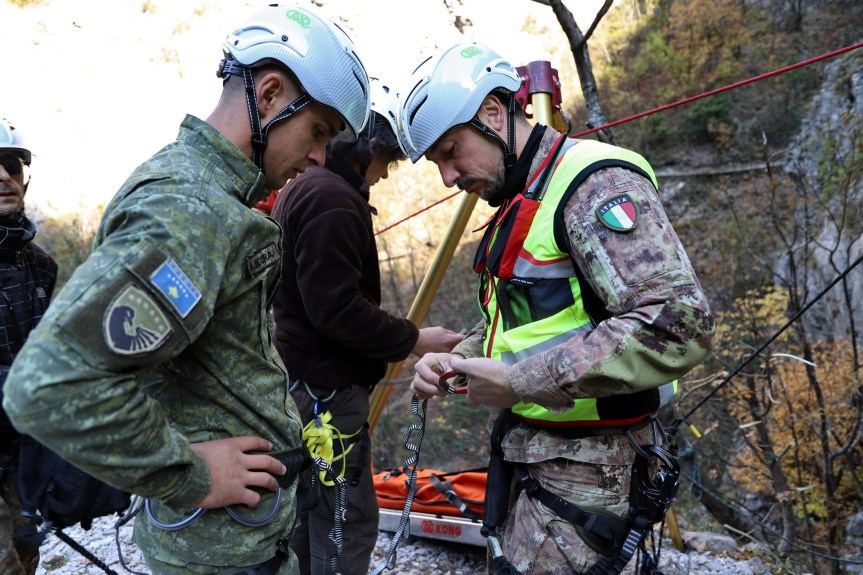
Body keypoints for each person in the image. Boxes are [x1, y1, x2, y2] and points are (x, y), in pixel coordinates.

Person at [2, 5, 370, 575]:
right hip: (220, 553)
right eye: (317, 131)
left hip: (245, 541)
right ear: (269, 95)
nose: (320, 156)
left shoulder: (216, 199)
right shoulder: (188, 208)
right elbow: (50, 386)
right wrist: (190, 474)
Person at [401, 43, 715, 575]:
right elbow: (531, 316)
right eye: (437, 163)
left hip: (594, 477)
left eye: (452, 151)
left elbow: (678, 322)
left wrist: (519, 380)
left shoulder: (594, 186)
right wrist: (462, 356)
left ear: (495, 113)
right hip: (542, 465)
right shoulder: (524, 197)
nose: (448, 178)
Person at [270, 79, 463, 575]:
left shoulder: (308, 189)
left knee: (307, 508)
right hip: (326, 393)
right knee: (344, 514)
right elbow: (335, 309)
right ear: (368, 148)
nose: (384, 175)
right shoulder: (332, 200)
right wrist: (415, 340)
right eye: (387, 162)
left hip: (303, 381)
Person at [0, 118, 58, 575]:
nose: (4, 176)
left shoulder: (41, 265)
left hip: (24, 452)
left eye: (12, 165)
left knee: (26, 552)